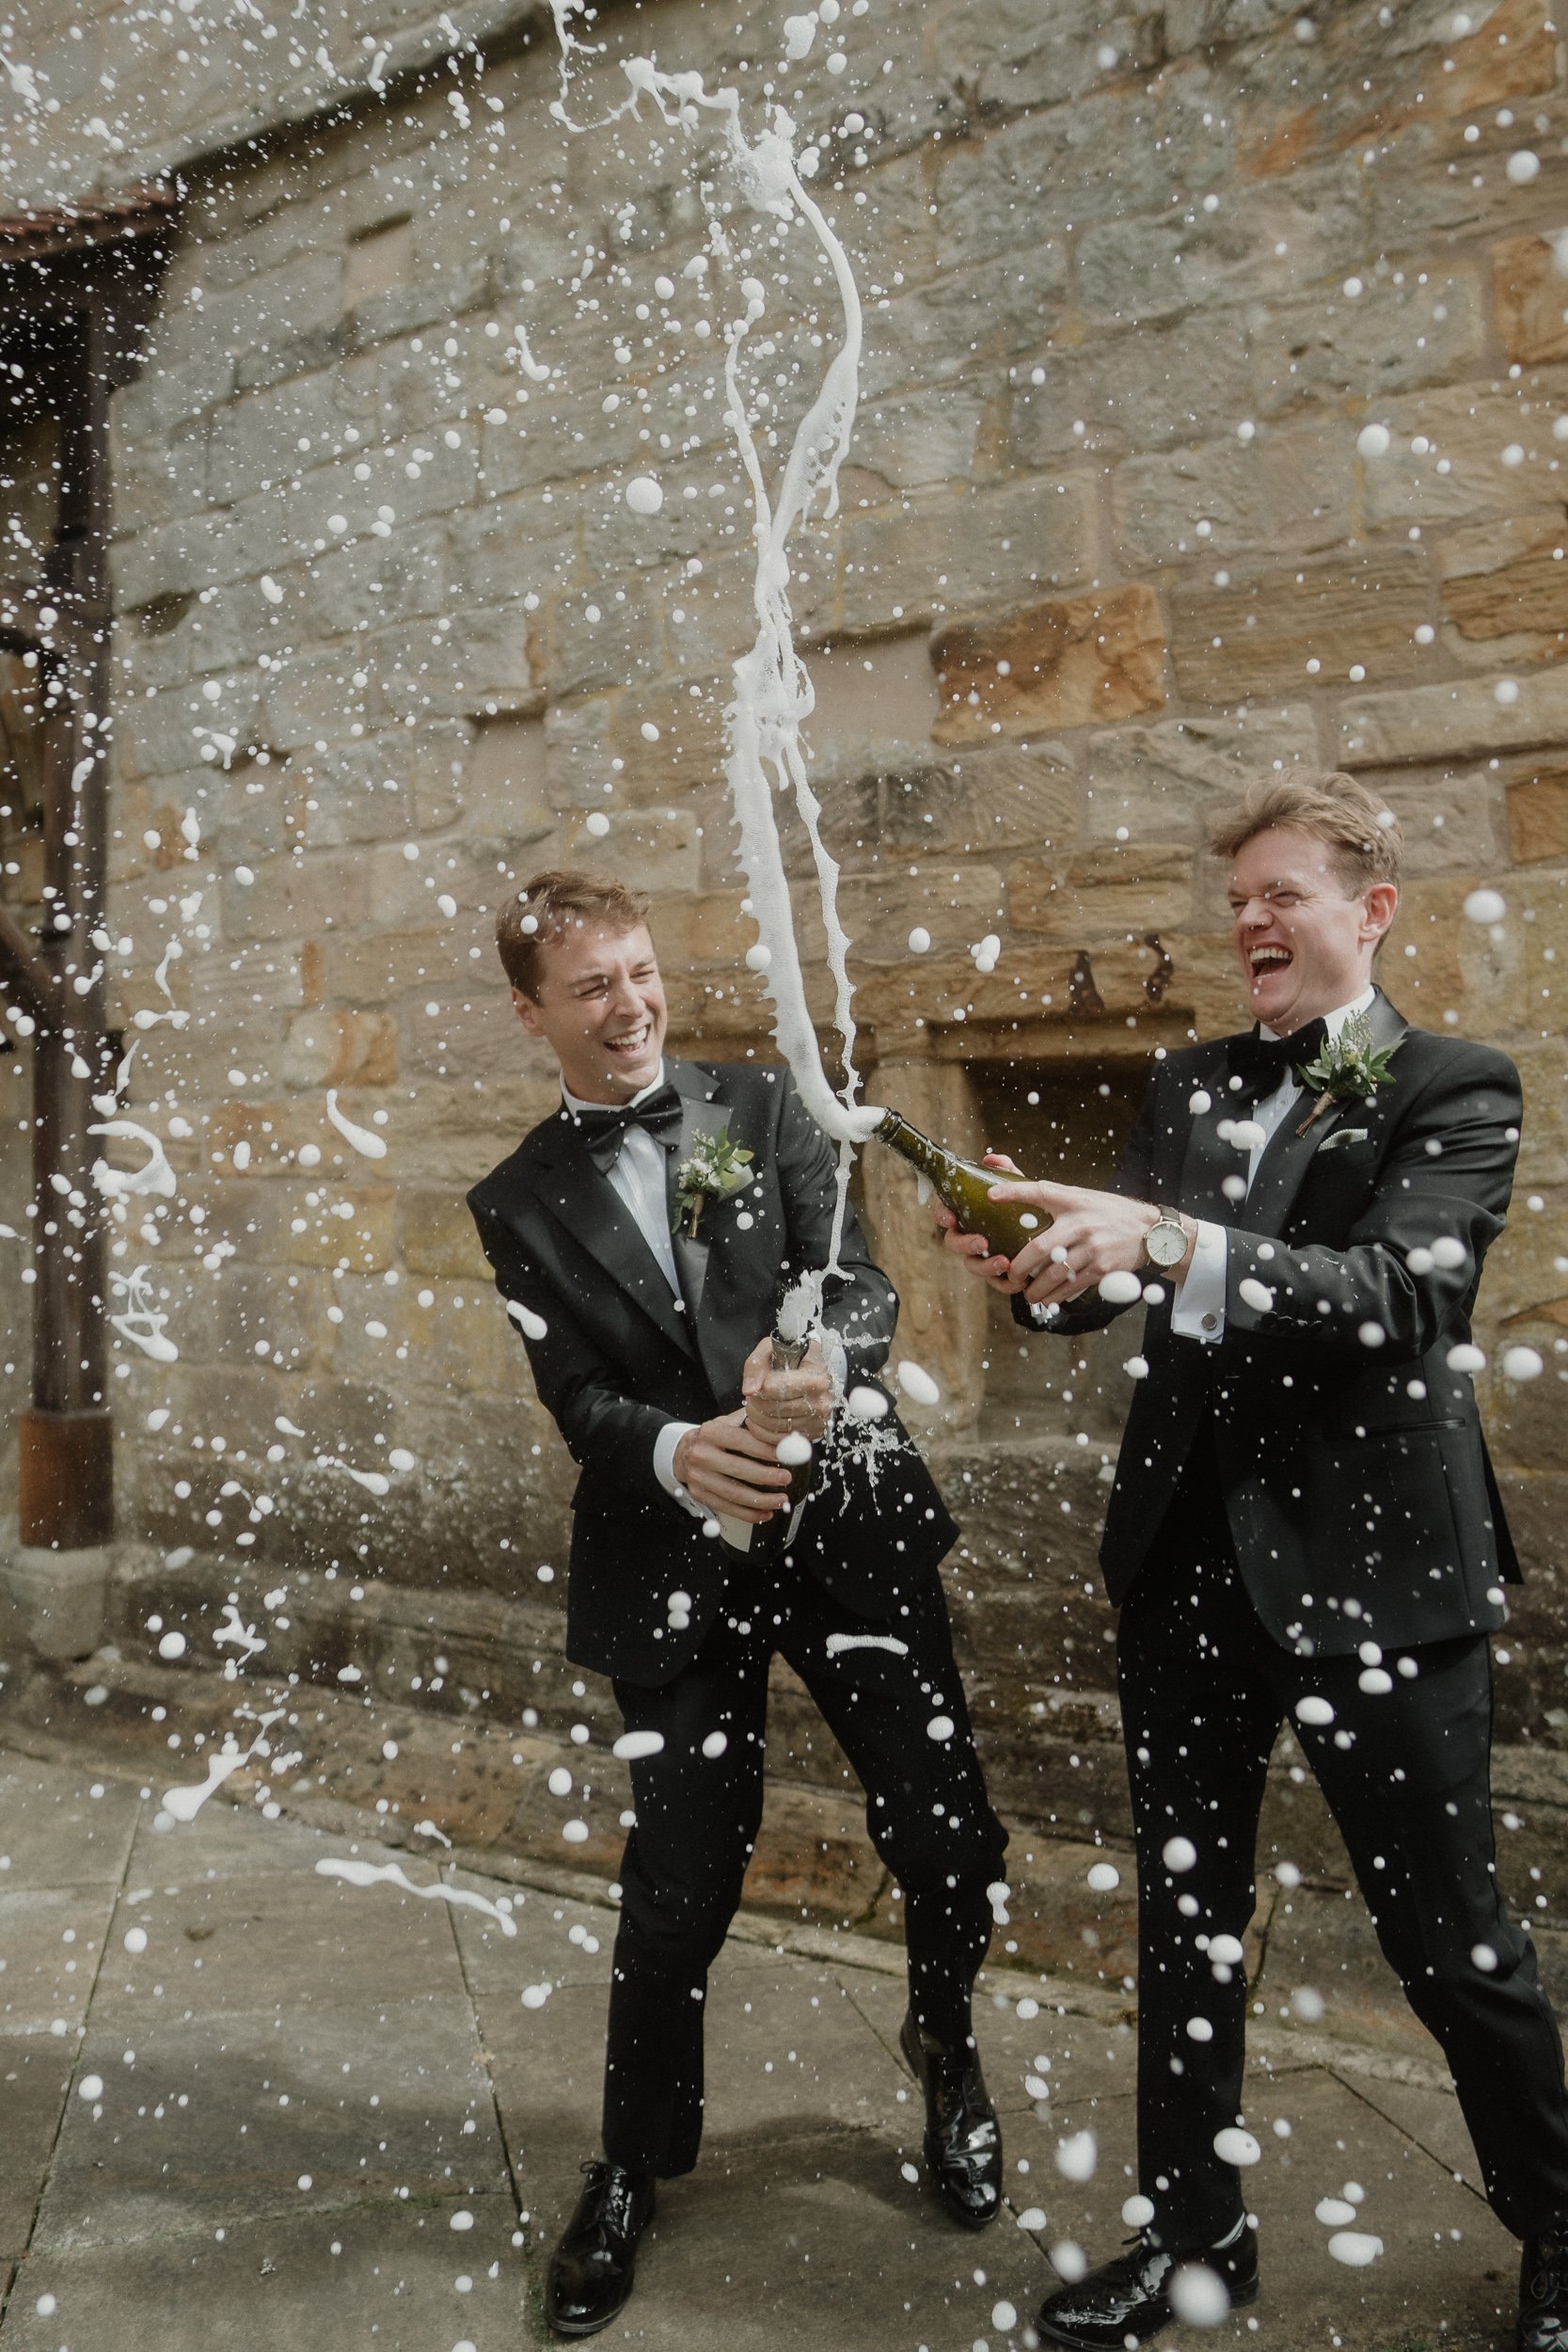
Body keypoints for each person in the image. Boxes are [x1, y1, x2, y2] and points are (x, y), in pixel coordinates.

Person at [939, 774, 1568, 2352]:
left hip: (1381, 1577)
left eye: (1281, 893)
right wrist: (1038, 1262)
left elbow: (1399, 1294)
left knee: (1451, 1941)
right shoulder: (1192, 1080)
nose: (1251, 923)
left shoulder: (1457, 1085)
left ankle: (1560, 2221)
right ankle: (1196, 2238)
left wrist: (1156, 1240)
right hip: (1191, 1569)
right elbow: (1109, 1293)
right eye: (1237, 902)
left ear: (1374, 910)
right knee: (1189, 1915)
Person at [468, 869, 1009, 2338]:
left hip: (847, 1522)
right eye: (590, 988)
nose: (630, 1005)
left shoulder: (765, 1108)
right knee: (679, 1883)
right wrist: (672, 1449)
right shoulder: (516, 1198)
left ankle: (946, 2048)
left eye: (640, 973)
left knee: (946, 1822)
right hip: (671, 1558)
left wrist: (816, 1368)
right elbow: (573, 1394)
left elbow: (859, 1283)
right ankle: (634, 2165)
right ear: (534, 1013)